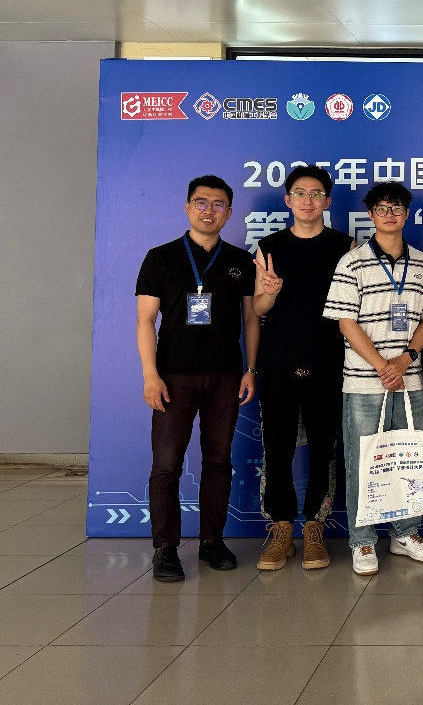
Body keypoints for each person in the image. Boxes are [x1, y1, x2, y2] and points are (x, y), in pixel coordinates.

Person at [136, 175, 258, 582]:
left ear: (229, 212)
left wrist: (250, 369)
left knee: (219, 461)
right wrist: (150, 375)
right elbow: (145, 321)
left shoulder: (240, 261)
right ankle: (165, 548)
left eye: (218, 204)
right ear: (187, 207)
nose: (209, 210)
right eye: (201, 202)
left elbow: (251, 319)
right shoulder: (161, 257)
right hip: (173, 377)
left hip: (225, 376)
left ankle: (212, 541)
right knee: (167, 464)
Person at [324, 181, 423, 575]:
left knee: (408, 458)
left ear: (407, 214)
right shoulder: (352, 262)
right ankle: (362, 541)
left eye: (397, 208)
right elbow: (345, 322)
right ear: (371, 215)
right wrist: (381, 366)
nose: (390, 215)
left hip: (409, 379)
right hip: (363, 381)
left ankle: (406, 533)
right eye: (382, 208)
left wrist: (405, 359)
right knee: (364, 462)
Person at [251, 166, 352, 572]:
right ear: (287, 200)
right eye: (299, 193)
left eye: (316, 193)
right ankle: (280, 529)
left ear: (327, 201)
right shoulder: (269, 247)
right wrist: (269, 293)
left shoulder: (344, 246)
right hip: (278, 363)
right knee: (276, 447)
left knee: (324, 448)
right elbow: (258, 308)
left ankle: (314, 526)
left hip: (327, 362)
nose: (308, 200)